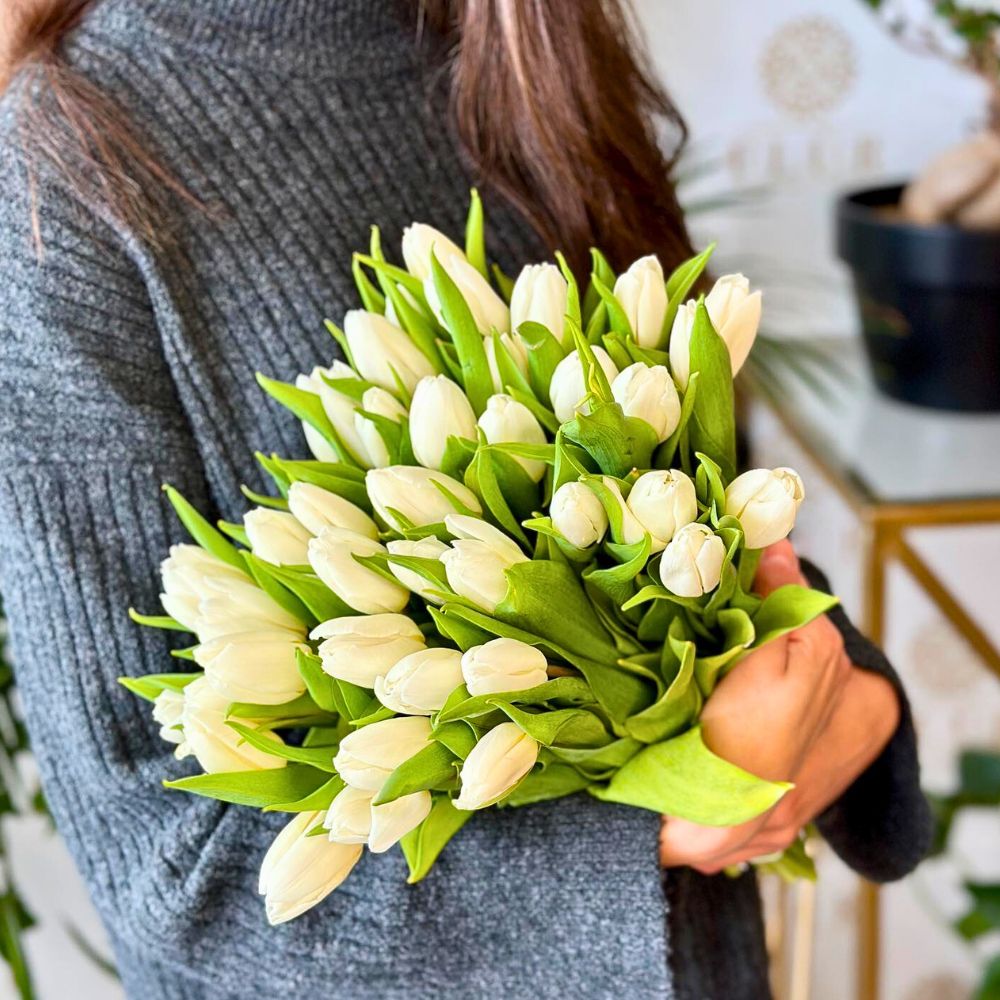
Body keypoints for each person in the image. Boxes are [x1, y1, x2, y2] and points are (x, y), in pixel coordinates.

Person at [0, 2, 929, 998]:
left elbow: (711, 541)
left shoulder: (537, 50)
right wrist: (646, 833)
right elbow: (169, 875)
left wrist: (854, 697)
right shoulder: (65, 172)